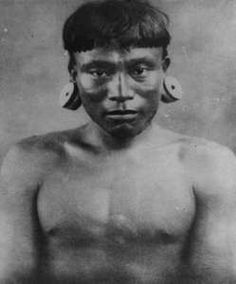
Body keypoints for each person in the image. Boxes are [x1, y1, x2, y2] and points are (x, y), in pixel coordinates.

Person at [1, 0, 236, 283]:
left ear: (164, 70)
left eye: (139, 70)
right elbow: (11, 278)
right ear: (74, 75)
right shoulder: (29, 161)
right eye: (99, 72)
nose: (120, 92)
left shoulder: (209, 164)